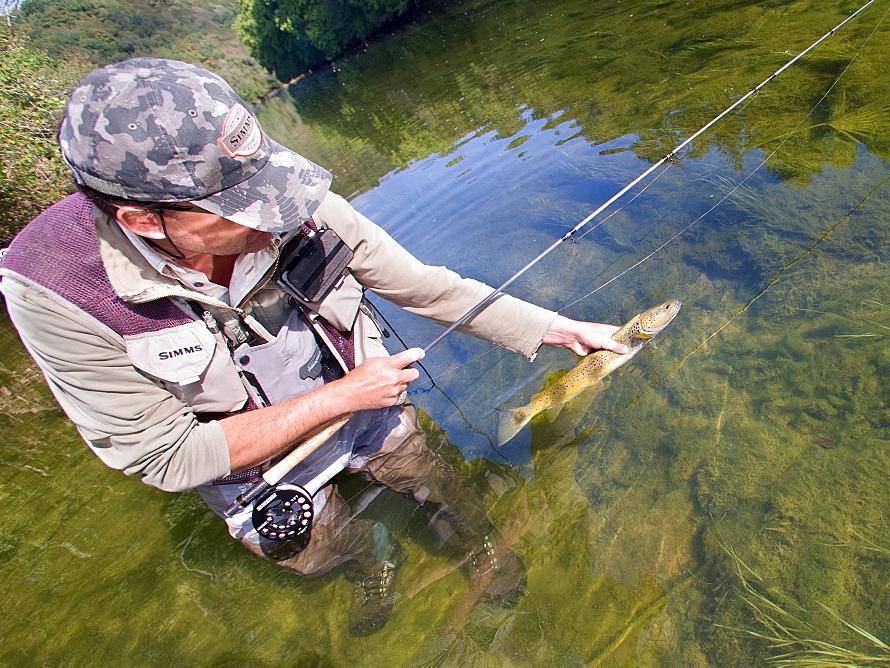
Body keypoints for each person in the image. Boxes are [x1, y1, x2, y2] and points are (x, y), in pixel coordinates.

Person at [0, 58, 628, 635]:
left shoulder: (278, 190)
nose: (272, 215)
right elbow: (165, 457)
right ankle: (366, 559)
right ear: (143, 219)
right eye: (235, 209)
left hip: (369, 402)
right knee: (312, 552)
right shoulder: (53, 288)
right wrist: (340, 398)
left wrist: (559, 328)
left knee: (437, 484)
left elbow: (426, 288)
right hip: (250, 465)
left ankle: (473, 546)